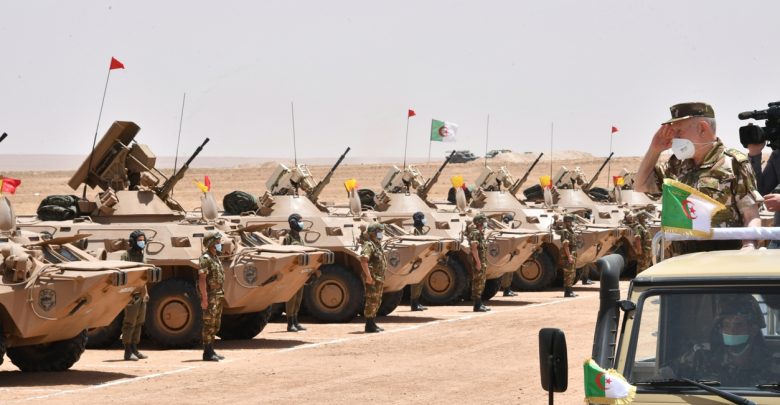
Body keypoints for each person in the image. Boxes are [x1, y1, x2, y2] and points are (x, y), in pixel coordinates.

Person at [634, 102, 762, 254]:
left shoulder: (733, 163)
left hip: (722, 258)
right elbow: (640, 185)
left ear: (702, 128)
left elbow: (751, 216)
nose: (674, 138)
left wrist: (748, 247)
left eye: (678, 131)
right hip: (681, 258)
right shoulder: (677, 165)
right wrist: (654, 149)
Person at [674, 294, 779, 386]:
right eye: (726, 325)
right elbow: (667, 379)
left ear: (753, 330)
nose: (732, 331)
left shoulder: (771, 364)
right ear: (720, 329)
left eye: (739, 325)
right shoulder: (700, 356)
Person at [120, 230, 149, 361]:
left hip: (141, 292)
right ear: (133, 242)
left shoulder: (143, 257)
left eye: (143, 240)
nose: (142, 242)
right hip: (130, 293)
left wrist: (146, 292)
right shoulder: (125, 256)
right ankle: (127, 351)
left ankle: (134, 348)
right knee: (130, 322)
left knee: (139, 321)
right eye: (139, 240)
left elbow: (144, 277)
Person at [199, 231, 225, 361]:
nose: (220, 244)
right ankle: (207, 352)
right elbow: (202, 279)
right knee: (209, 323)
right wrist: (204, 299)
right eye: (217, 242)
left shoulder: (215, 257)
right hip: (211, 296)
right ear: (211, 243)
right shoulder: (205, 258)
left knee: (216, 324)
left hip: (218, 294)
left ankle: (212, 349)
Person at [361, 223, 387, 333]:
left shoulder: (376, 244)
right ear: (374, 233)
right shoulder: (369, 245)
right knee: (371, 300)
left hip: (378, 277)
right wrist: (368, 276)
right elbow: (363, 261)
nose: (381, 234)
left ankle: (372, 323)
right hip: (372, 278)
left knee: (377, 300)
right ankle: (369, 325)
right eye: (380, 232)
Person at [284, 213, 308, 332]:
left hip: (300, 271)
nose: (301, 224)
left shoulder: (299, 237)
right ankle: (290, 323)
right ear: (293, 223)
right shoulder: (287, 238)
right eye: (299, 221)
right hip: (291, 271)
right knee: (292, 298)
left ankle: (295, 321)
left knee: (298, 297)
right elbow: (284, 254)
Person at [468, 213, 490, 312]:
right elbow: (474, 249)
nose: (485, 224)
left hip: (482, 261)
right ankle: (477, 305)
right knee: (478, 282)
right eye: (484, 222)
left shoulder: (480, 233)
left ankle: (480, 303)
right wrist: (478, 262)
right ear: (479, 222)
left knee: (481, 282)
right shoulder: (475, 233)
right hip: (478, 261)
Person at [408, 211, 428, 312]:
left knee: (420, 281)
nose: (425, 220)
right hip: (415, 259)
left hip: (421, 258)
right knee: (416, 281)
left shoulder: (421, 230)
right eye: (423, 218)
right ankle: (414, 304)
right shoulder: (413, 231)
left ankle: (417, 302)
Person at [499, 213, 518, 297]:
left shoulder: (503, 226)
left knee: (509, 271)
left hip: (508, 252)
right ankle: (506, 290)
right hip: (507, 253)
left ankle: (507, 289)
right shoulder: (506, 228)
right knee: (508, 271)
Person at [559, 214, 578, 298]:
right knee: (569, 273)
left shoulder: (570, 230)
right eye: (570, 221)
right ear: (567, 221)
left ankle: (570, 290)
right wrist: (569, 256)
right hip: (568, 253)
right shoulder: (565, 231)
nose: (571, 223)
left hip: (572, 252)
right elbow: (565, 245)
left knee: (572, 272)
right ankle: (567, 292)